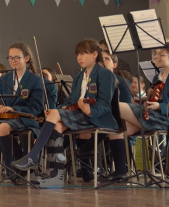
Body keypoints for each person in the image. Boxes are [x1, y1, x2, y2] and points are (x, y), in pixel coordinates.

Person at [12, 39, 126, 183]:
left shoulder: (105, 74)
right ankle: (55, 175)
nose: (79, 57)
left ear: (95, 54)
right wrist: (57, 109)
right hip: (80, 115)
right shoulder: (79, 76)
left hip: (96, 116)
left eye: (83, 53)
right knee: (57, 125)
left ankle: (33, 156)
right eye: (77, 54)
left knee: (55, 118)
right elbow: (71, 101)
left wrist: (89, 110)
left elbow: (104, 104)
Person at [0, 42, 45, 184]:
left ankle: (9, 168)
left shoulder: (35, 80)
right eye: (10, 58)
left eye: (17, 58)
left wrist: (15, 109)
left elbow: (36, 106)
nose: (13, 61)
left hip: (26, 116)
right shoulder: (4, 79)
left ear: (27, 58)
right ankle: (18, 160)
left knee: (4, 127)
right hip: (7, 117)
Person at [113, 46, 169, 182]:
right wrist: (144, 99)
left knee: (116, 106)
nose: (155, 57)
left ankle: (89, 146)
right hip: (151, 115)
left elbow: (163, 103)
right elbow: (156, 97)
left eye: (161, 54)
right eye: (155, 54)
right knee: (120, 126)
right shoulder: (158, 76)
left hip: (163, 117)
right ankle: (120, 171)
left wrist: (159, 106)